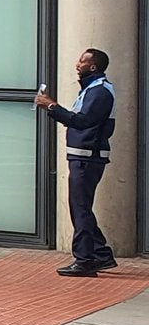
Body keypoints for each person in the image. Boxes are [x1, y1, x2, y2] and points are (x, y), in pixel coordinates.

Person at [38, 49, 119, 277]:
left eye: (82, 61)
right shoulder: (92, 89)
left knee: (80, 209)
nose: (77, 64)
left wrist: (52, 106)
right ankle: (101, 256)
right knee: (82, 207)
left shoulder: (100, 92)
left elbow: (83, 121)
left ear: (93, 67)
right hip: (82, 155)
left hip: (87, 157)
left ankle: (84, 260)